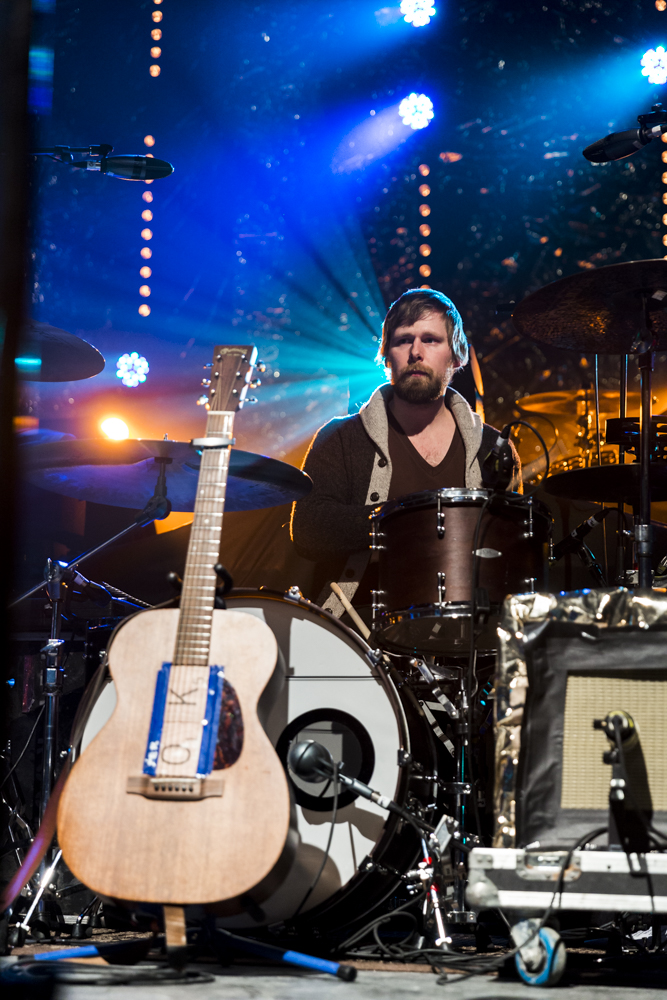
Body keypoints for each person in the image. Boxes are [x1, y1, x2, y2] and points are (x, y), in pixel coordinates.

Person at [290, 288, 521, 618]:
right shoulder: (340, 437)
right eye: (403, 340)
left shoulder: (494, 449)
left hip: (465, 645)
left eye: (431, 340)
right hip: (358, 636)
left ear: (456, 356)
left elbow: (512, 554)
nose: (416, 352)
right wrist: (406, 521)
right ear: (387, 357)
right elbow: (308, 530)